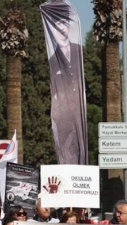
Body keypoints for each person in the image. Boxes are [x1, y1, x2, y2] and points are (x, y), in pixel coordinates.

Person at [43, 1, 88, 165]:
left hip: (79, 113)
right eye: (58, 24)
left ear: (70, 25)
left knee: (80, 146)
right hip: (62, 115)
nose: (62, 28)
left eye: (65, 23)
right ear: (53, 27)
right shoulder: (52, 61)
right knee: (66, 150)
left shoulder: (79, 52)